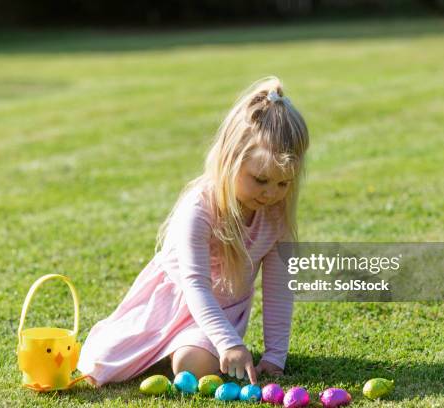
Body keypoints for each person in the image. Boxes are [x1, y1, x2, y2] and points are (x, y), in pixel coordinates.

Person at [77, 76, 309, 387]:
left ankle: (179, 351)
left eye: (283, 183)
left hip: (220, 312)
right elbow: (195, 285)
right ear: (230, 159)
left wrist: (274, 357)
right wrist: (230, 345)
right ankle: (159, 348)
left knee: (193, 364)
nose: (271, 194)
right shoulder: (199, 209)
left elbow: (279, 289)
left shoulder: (275, 217)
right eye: (260, 180)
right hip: (169, 305)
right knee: (101, 360)